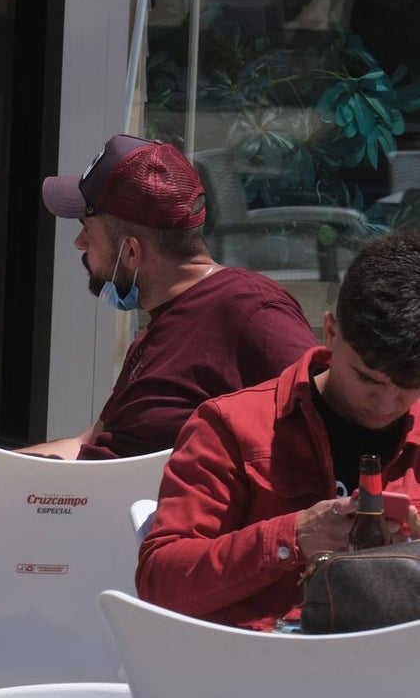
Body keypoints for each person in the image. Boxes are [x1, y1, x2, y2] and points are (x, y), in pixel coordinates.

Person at [0, 135, 317, 573]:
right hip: (69, 529)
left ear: (131, 250)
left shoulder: (252, 311)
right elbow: (87, 445)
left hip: (103, 561)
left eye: (87, 229)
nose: (79, 244)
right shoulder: (166, 321)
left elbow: (325, 418)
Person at [137, 231, 420, 631]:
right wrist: (293, 536)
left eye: (409, 385)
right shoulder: (233, 426)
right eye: (367, 378)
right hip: (262, 658)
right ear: (330, 332)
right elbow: (160, 583)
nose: (385, 403)